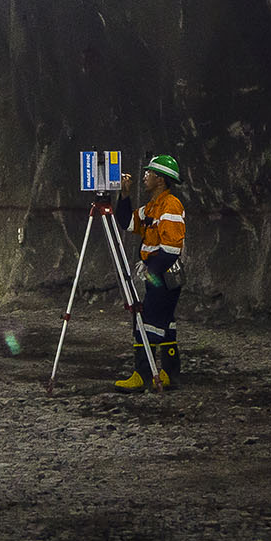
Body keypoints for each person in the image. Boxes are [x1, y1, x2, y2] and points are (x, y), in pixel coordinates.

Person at [114, 155, 185, 390]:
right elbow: (126, 222)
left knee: (147, 323)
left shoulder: (170, 205)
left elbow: (172, 248)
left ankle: (143, 376)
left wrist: (149, 274)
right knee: (165, 323)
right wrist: (124, 195)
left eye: (149, 173)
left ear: (161, 179)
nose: (144, 176)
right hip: (160, 273)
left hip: (163, 273)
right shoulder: (152, 207)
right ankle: (170, 373)